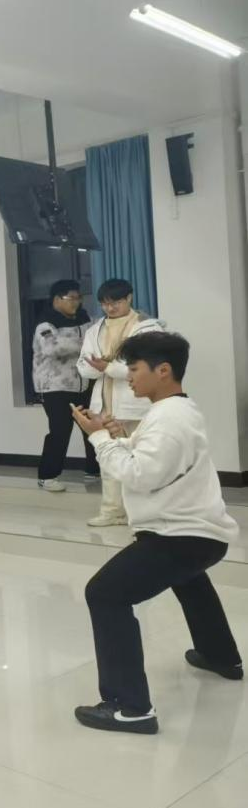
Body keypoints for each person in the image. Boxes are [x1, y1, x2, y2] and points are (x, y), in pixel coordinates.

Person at [71, 332, 240, 735]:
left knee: (105, 594)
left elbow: (141, 475)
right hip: (199, 535)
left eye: (133, 369)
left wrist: (98, 438)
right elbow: (155, 458)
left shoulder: (168, 419)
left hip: (179, 536)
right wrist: (118, 436)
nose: (128, 377)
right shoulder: (174, 410)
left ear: (163, 370)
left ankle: (129, 707)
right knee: (190, 580)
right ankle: (220, 656)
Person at [77, 279, 164, 527]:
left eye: (115, 302)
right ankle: (112, 512)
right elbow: (83, 366)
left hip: (137, 405)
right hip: (105, 406)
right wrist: (95, 367)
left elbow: (148, 368)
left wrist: (109, 367)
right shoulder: (95, 330)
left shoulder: (147, 327)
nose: (110, 308)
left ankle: (150, 513)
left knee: (144, 461)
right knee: (109, 460)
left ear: (129, 298)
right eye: (104, 304)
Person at [33, 280, 98, 493]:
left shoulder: (85, 319)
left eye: (79, 298)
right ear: (57, 299)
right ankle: (47, 476)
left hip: (83, 384)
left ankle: (94, 470)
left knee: (92, 428)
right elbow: (53, 348)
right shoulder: (45, 324)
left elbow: (103, 331)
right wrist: (88, 345)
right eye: (71, 298)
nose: (76, 303)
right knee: (60, 431)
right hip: (54, 387)